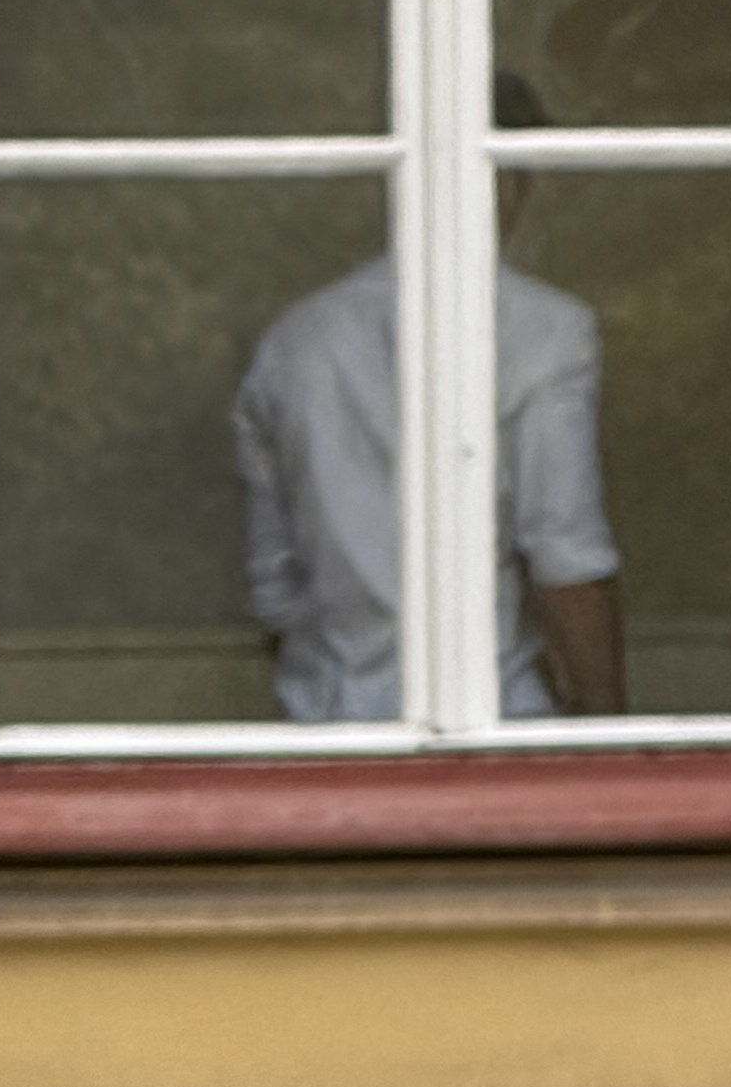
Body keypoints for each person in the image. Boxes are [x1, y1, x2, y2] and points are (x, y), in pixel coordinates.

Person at [234, 207, 624, 721]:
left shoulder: (295, 340)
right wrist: (608, 740)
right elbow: (565, 554)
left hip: (327, 722)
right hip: (493, 720)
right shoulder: (544, 328)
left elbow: (275, 588)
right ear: (508, 182)